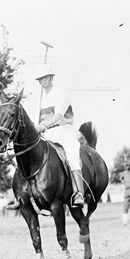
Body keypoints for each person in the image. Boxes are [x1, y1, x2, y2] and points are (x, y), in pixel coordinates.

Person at [35, 65, 85, 208]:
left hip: (63, 131)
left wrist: (43, 126)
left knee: (72, 153)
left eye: (45, 77)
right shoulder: (39, 99)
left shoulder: (61, 94)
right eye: (40, 79)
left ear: (51, 77)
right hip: (45, 134)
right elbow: (35, 121)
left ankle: (78, 193)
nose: (43, 81)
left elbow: (57, 116)